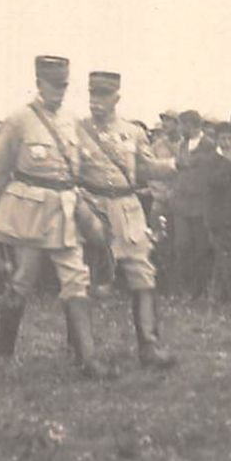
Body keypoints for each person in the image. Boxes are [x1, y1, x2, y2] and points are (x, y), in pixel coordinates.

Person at [0, 55, 110, 379]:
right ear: (39, 84)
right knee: (23, 280)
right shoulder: (19, 120)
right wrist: (12, 210)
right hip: (30, 216)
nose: (59, 92)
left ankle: (87, 358)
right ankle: (3, 355)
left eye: (64, 86)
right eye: (53, 85)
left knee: (76, 279)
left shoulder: (71, 120)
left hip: (65, 211)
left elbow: (79, 164)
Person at [74, 71, 176, 368]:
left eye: (103, 96)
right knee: (86, 281)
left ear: (116, 98)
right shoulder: (76, 130)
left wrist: (175, 164)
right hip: (93, 209)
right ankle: (82, 350)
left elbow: (145, 168)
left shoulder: (133, 132)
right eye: (92, 95)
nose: (96, 102)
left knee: (143, 276)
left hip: (128, 208)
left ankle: (149, 344)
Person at [166, 110, 212, 302]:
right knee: (182, 246)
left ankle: (200, 290)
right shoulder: (183, 145)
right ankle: (185, 289)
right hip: (182, 205)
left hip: (200, 205)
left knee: (201, 248)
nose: (180, 129)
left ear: (193, 126)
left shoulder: (208, 145)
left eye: (183, 125)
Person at [204, 121, 231, 304]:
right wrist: (228, 162)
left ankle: (215, 295)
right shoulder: (212, 160)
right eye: (223, 138)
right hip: (218, 217)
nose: (227, 142)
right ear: (216, 140)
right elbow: (216, 182)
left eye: (230, 138)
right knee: (229, 255)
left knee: (224, 255)